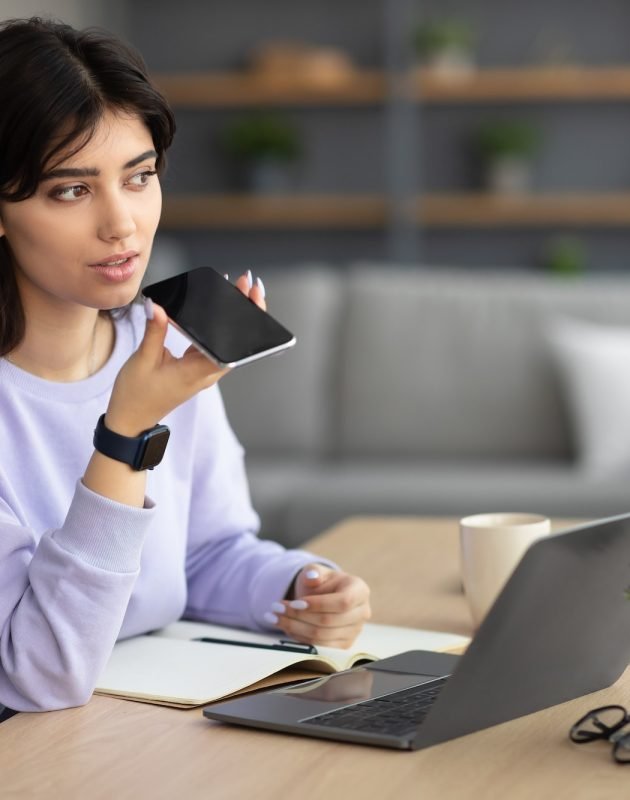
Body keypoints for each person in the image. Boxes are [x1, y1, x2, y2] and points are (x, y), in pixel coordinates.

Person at [0, 17, 370, 712]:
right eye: (72, 190)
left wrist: (299, 586)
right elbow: (34, 672)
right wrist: (125, 435)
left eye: (138, 178)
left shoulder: (164, 343)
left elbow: (206, 555)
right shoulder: (141, 383)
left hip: (153, 718)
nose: (123, 224)